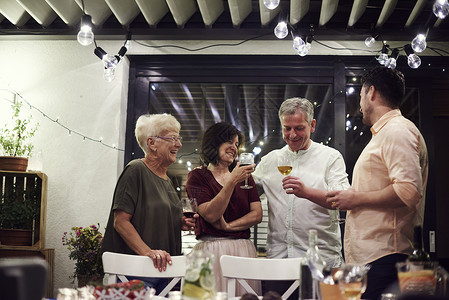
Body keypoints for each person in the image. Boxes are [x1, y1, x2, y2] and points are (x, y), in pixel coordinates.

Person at [326, 66, 428, 300]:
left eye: (360, 95)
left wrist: (355, 198)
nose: (360, 103)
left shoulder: (396, 131)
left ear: (371, 92)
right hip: (375, 260)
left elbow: (409, 191)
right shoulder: (385, 133)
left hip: (384, 258)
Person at [252, 97, 349, 298]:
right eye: (287, 128)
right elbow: (246, 194)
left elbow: (343, 199)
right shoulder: (271, 160)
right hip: (278, 262)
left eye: (299, 128)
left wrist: (307, 193)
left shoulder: (330, 157)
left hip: (321, 262)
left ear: (312, 125)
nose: (292, 135)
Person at [101, 113, 196, 293]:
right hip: (136, 272)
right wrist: (148, 252)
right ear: (152, 143)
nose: (179, 144)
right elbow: (120, 222)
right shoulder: (136, 169)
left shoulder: (168, 180)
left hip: (166, 271)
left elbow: (155, 218)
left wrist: (180, 221)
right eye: (173, 138)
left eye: (179, 138)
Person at [185, 122, 263, 296]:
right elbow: (211, 214)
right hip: (210, 251)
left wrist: (228, 227)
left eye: (236, 144)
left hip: (243, 250)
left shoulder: (244, 175)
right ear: (214, 143)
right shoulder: (197, 176)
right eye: (229, 141)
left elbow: (257, 214)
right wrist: (232, 181)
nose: (234, 148)